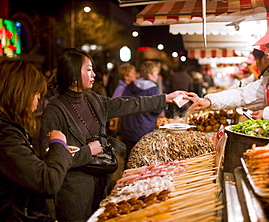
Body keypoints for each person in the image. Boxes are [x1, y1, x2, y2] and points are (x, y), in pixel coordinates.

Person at [39, 48, 187, 222]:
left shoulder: (92, 99)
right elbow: (49, 158)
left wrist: (165, 99)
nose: (94, 74)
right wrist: (88, 151)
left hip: (103, 182)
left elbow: (129, 104)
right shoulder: (54, 111)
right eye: (88, 69)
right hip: (74, 193)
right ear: (72, 73)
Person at [0, 58, 73, 222]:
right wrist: (58, 145)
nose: (38, 99)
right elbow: (46, 183)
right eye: (35, 92)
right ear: (20, 93)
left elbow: (16, 170)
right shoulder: (1, 136)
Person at [119, 61, 162, 159]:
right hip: (144, 130)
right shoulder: (153, 88)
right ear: (149, 74)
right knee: (142, 161)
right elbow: (157, 110)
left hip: (127, 129)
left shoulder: (130, 86)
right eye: (155, 74)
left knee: (129, 160)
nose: (157, 77)